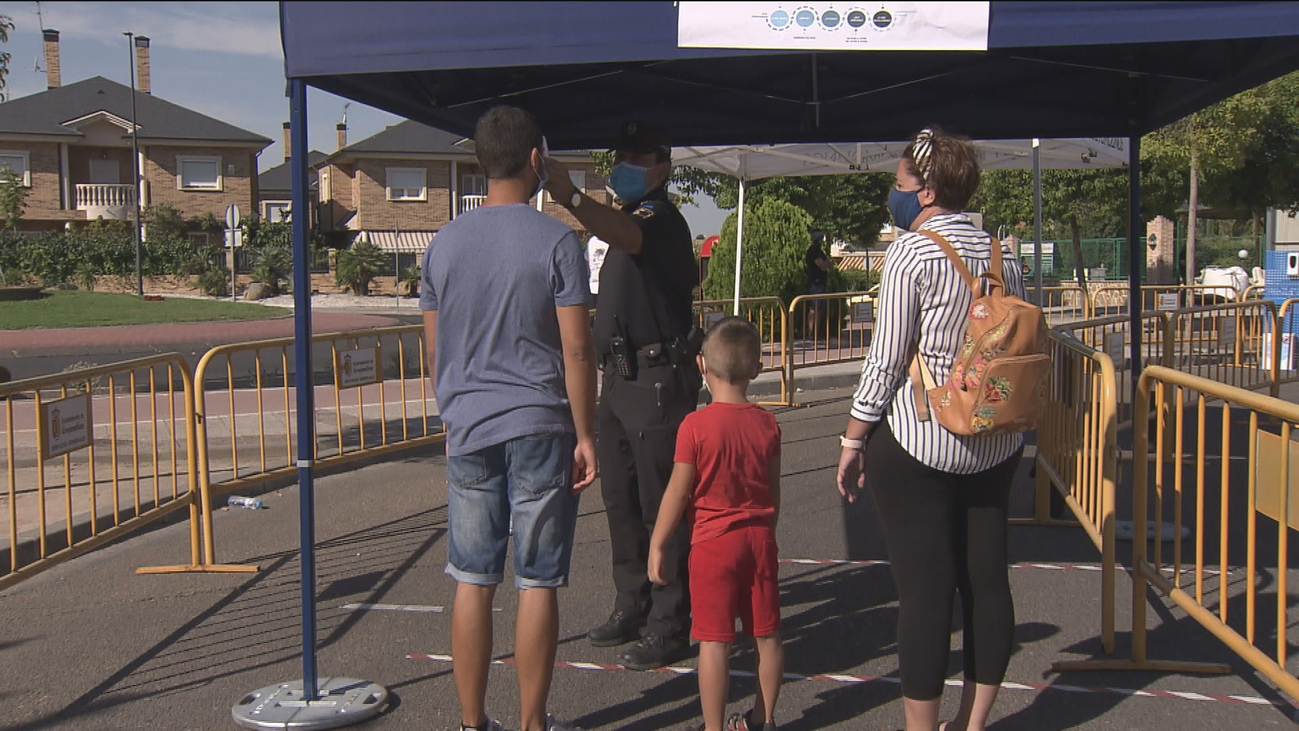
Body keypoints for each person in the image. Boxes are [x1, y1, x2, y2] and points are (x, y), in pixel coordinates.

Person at [835, 127, 1027, 731]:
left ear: (926, 191)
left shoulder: (912, 254)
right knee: (987, 583)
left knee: (924, 591)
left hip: (924, 439)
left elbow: (886, 359)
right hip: (995, 437)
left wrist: (852, 438)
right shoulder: (1005, 257)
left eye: (899, 184)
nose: (894, 193)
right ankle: (972, 724)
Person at [421, 105, 597, 731]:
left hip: (468, 423)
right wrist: (585, 432)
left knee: (471, 577)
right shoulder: (556, 241)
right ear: (535, 161)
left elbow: (434, 348)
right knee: (537, 580)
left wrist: (451, 410)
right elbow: (576, 348)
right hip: (541, 423)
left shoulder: (443, 242)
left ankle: (472, 723)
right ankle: (531, 722)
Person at [543, 121, 700, 670]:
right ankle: (632, 602)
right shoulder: (629, 218)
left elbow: (627, 238)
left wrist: (572, 196)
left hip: (656, 378)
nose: (625, 162)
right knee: (621, 502)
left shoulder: (660, 220)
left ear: (661, 166)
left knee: (663, 505)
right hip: (620, 379)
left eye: (636, 154)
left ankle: (670, 620)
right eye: (621, 153)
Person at [649, 317, 784, 731]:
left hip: (712, 545)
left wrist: (658, 542)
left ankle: (712, 727)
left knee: (714, 642)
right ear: (757, 369)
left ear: (701, 366)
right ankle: (762, 718)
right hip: (759, 539)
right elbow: (773, 492)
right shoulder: (767, 424)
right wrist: (767, 530)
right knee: (767, 635)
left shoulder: (695, 426)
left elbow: (677, 491)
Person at [805, 230, 831, 332]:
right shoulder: (814, 251)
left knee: (817, 308)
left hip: (819, 282)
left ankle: (814, 332)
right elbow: (823, 266)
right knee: (815, 308)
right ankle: (812, 332)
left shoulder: (817, 251)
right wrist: (828, 263)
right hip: (816, 282)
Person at [586, 235, 610, 302]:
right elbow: (587, 261)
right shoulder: (592, 241)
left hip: (606, 286)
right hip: (592, 286)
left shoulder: (611, 242)